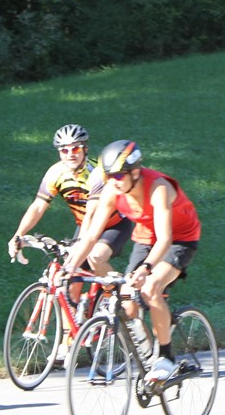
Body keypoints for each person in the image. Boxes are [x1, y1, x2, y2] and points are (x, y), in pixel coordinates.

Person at [62, 139, 201, 384]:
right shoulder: (112, 190)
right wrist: (71, 266)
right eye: (109, 176)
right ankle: (148, 359)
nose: (114, 181)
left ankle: (166, 358)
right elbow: (92, 234)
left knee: (150, 288)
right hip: (146, 238)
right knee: (127, 302)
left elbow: (166, 238)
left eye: (119, 175)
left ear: (135, 171)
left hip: (180, 239)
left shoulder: (158, 188)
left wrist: (146, 268)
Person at [8, 124, 133, 363]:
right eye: (64, 150)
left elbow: (93, 213)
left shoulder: (97, 173)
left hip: (113, 224)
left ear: (85, 149)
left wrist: (78, 248)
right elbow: (38, 206)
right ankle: (68, 342)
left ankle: (115, 291)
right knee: (68, 281)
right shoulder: (56, 173)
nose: (70, 154)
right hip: (84, 225)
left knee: (94, 257)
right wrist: (18, 234)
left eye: (75, 148)